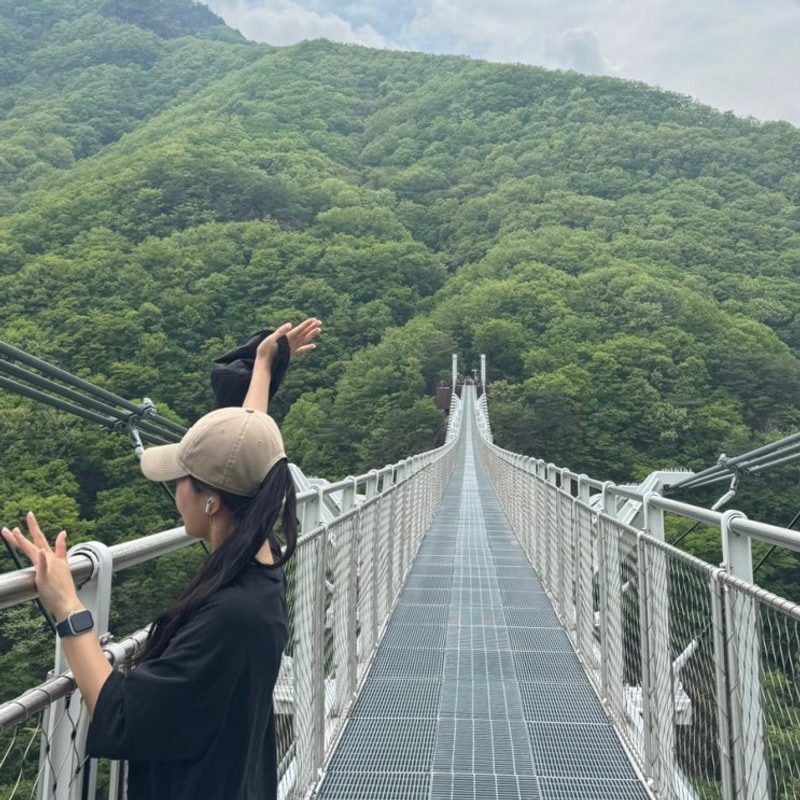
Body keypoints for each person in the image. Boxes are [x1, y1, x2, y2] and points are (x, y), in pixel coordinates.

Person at [2, 318, 322, 800]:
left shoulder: (231, 617)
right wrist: (262, 368)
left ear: (211, 500)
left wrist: (68, 607)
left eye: (181, 478)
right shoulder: (262, 557)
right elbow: (246, 454)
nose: (175, 489)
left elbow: (119, 714)